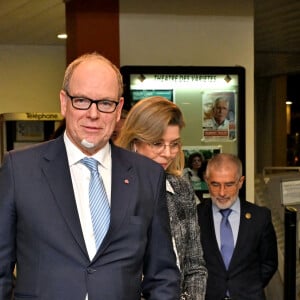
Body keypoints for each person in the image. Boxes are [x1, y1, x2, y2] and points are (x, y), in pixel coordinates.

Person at [0, 52, 181, 300]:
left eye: (105, 103)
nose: (93, 114)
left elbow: (162, 276)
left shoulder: (147, 176)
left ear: (118, 109)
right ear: (64, 102)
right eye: (82, 101)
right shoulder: (19, 170)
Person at [116, 96, 208, 300]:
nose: (168, 153)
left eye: (174, 144)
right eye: (157, 143)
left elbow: (195, 265)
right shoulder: (112, 190)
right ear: (134, 142)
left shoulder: (181, 188)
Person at [197, 153, 278, 300]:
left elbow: (269, 262)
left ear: (240, 182)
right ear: (207, 181)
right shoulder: (196, 217)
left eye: (229, 184)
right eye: (215, 184)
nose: (222, 192)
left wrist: (249, 286)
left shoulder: (260, 217)